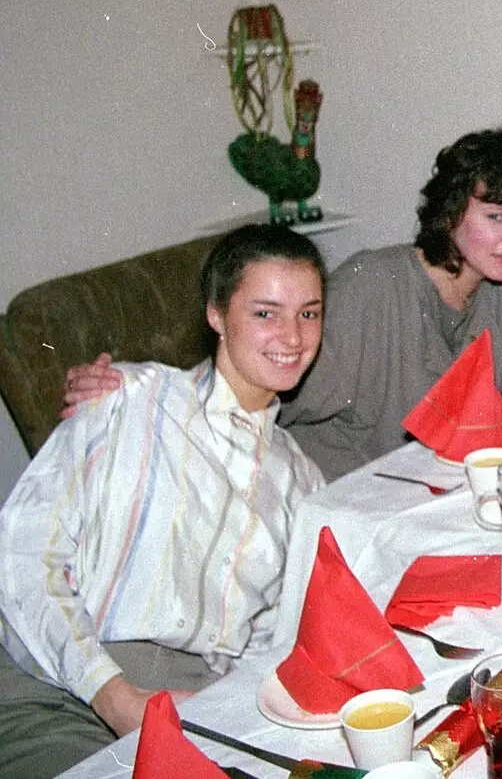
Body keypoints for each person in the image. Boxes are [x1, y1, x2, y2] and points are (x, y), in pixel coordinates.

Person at [64, 125, 502, 479]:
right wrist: (132, 390)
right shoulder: (372, 287)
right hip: (332, 504)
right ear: (451, 210)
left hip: (434, 498)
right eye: (495, 217)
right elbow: (248, 375)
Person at [0, 225, 328, 777]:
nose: (292, 337)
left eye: (310, 313)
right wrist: (112, 694)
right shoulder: (128, 400)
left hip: (191, 699)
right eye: (265, 313)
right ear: (216, 315)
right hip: (58, 678)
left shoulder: (302, 481)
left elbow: (272, 636)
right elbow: (22, 555)